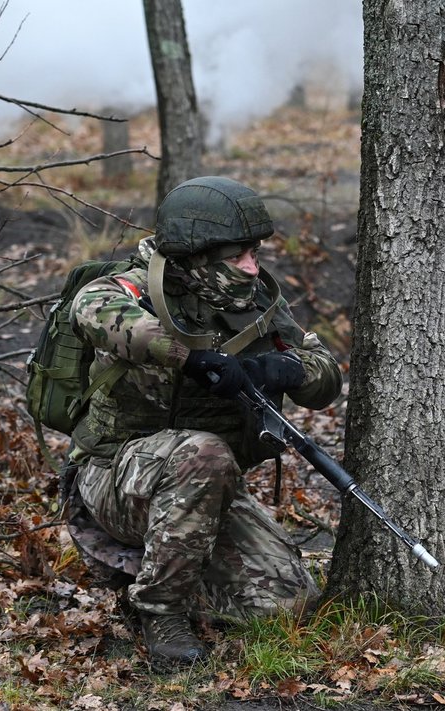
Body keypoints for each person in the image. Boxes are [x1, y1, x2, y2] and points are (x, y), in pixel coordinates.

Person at [63, 176, 343, 665]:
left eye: (254, 253)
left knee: (288, 604)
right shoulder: (136, 286)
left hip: (204, 494)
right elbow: (91, 310)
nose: (253, 267)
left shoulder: (257, 306)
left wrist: (286, 368)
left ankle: (160, 570)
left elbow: (326, 378)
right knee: (205, 451)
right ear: (198, 256)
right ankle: (161, 612)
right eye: (239, 257)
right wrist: (191, 358)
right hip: (113, 477)